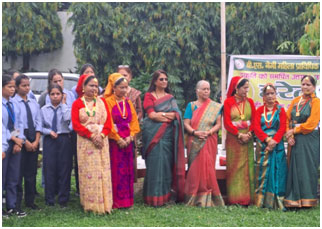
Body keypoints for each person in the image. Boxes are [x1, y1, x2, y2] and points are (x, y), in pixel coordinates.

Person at [142, 69, 185, 207]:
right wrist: (167, 116)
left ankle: (165, 196)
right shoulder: (149, 96)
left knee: (166, 165)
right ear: (155, 81)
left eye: (166, 79)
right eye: (161, 79)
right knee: (154, 165)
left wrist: (162, 115)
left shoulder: (170, 98)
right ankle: (152, 197)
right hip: (153, 136)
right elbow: (151, 115)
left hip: (167, 137)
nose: (164, 81)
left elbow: (176, 115)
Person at [72, 74, 113, 214]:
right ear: (83, 87)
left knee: (102, 170)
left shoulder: (102, 102)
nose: (94, 88)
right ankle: (90, 205)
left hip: (102, 142)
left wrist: (101, 136)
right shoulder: (77, 103)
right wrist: (91, 136)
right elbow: (76, 125)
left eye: (96, 86)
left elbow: (109, 123)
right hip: (85, 143)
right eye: (91, 85)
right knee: (88, 172)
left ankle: (105, 204)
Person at [183, 80, 225, 207]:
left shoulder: (215, 106)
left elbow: (218, 124)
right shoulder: (191, 106)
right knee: (195, 169)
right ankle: (193, 197)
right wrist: (195, 133)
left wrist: (209, 132)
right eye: (204, 89)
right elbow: (186, 123)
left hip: (209, 140)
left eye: (208, 89)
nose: (207, 91)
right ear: (197, 91)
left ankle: (208, 196)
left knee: (208, 168)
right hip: (194, 139)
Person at [104, 73, 140, 209]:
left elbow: (134, 122)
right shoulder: (108, 102)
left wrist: (130, 137)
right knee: (116, 171)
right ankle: (116, 201)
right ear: (114, 88)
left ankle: (127, 201)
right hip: (115, 142)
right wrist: (118, 139)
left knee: (127, 170)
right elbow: (107, 122)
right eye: (121, 87)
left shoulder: (128, 102)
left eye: (126, 87)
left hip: (127, 141)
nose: (125, 90)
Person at [284, 75, 320, 208]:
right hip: (295, 138)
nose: (305, 87)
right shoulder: (296, 101)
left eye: (308, 85)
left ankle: (308, 200)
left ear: (313, 87)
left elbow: (311, 123)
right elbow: (287, 118)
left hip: (309, 138)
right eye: (303, 84)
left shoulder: (316, 102)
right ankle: (294, 199)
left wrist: (294, 131)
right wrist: (289, 135)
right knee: (295, 166)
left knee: (307, 168)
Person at [253, 83, 287, 210]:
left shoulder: (280, 110)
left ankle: (277, 201)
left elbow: (283, 126)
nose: (270, 96)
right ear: (263, 96)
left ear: (275, 94)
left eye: (272, 93)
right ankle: (262, 201)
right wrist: (267, 139)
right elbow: (256, 127)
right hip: (263, 146)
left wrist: (274, 141)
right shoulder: (259, 110)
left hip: (277, 146)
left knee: (278, 172)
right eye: (267, 94)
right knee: (262, 173)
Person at [223, 76, 256, 206]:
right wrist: (239, 135)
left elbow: (254, 120)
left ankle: (248, 199)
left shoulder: (250, 102)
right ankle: (235, 199)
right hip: (233, 139)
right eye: (244, 87)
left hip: (247, 138)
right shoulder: (228, 102)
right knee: (235, 168)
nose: (246, 90)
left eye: (248, 87)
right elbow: (227, 122)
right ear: (236, 88)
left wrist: (249, 133)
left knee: (247, 168)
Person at [41, 84, 73, 207]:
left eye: (58, 94)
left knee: (64, 168)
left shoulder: (66, 108)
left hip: (64, 138)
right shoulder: (44, 109)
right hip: (50, 139)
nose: (55, 97)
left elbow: (67, 118)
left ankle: (63, 198)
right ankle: (49, 198)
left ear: (62, 95)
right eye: (52, 94)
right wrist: (49, 132)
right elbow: (40, 126)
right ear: (49, 95)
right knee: (49, 168)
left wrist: (64, 103)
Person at [13, 75, 42, 210]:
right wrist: (25, 142)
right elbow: (15, 126)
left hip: (33, 137)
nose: (26, 88)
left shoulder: (33, 102)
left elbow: (38, 123)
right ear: (17, 87)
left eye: (28, 85)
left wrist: (36, 141)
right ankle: (17, 202)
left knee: (31, 173)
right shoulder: (13, 103)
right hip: (20, 140)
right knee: (18, 173)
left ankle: (30, 201)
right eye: (23, 85)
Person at [2, 74, 27, 217]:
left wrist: (19, 140)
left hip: (15, 144)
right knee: (2, 176)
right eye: (9, 87)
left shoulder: (13, 104)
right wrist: (12, 138)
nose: (12, 90)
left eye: (13, 87)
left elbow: (19, 124)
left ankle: (11, 206)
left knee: (13, 176)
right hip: (3, 144)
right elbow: (2, 127)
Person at [117, 65, 143, 182]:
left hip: (131, 129)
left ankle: (129, 181)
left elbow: (140, 111)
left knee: (130, 153)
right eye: (120, 75)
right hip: (116, 129)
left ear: (130, 77)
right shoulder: (113, 93)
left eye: (125, 75)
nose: (123, 77)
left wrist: (132, 121)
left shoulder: (135, 93)